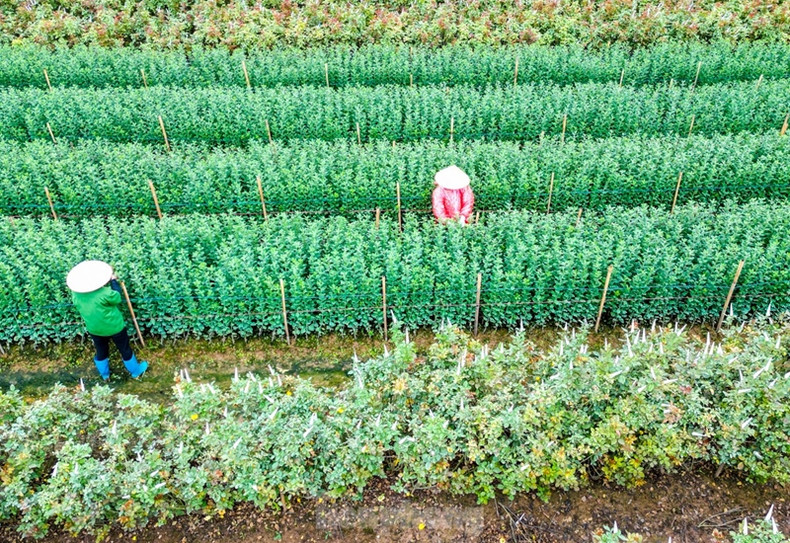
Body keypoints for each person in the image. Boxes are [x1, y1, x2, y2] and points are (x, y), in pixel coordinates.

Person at [66, 260, 148, 380]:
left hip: (94, 329)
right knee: (124, 349)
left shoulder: (76, 295)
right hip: (114, 327)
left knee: (101, 351)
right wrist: (113, 281)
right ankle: (135, 371)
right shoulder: (104, 293)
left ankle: (105, 375)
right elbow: (117, 297)